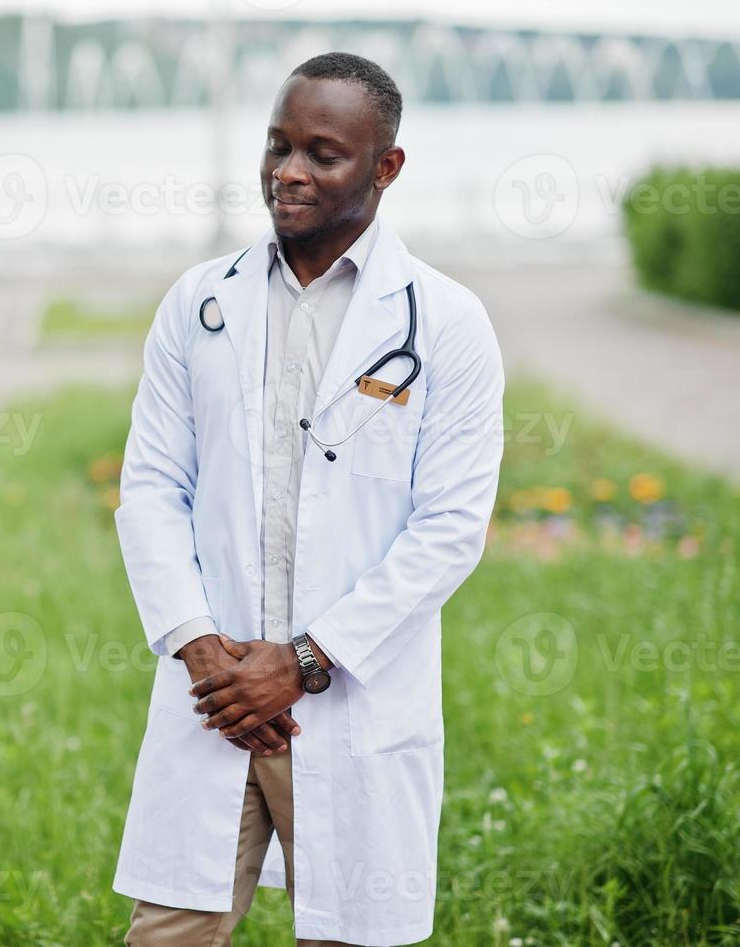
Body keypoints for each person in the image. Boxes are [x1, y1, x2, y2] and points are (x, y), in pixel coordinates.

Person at [112, 52, 505, 946]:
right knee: (168, 931)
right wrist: (199, 648)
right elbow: (150, 488)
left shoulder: (444, 324)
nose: (287, 172)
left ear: (385, 167)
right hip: (214, 698)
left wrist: (304, 660)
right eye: (277, 145)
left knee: (348, 934)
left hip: (344, 698)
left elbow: (447, 531)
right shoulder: (197, 304)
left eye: (321, 154)